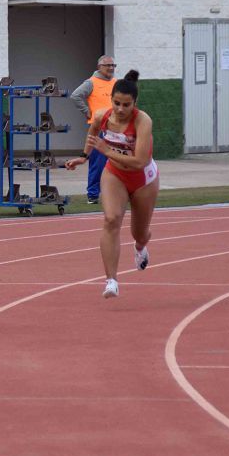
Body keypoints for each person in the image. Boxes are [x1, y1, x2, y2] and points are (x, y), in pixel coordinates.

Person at [65, 71, 157, 299]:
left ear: (135, 103)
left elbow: (140, 161)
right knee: (111, 219)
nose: (120, 109)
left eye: (126, 105)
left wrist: (106, 151)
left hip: (143, 178)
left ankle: (140, 247)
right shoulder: (102, 116)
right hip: (115, 174)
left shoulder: (142, 121)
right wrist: (83, 156)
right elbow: (93, 130)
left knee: (140, 232)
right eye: (116, 103)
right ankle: (111, 280)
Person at [70, 55, 118, 204]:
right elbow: (75, 96)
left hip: (117, 129)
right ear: (99, 67)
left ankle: (117, 193)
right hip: (100, 129)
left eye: (113, 65)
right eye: (107, 65)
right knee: (97, 163)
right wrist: (87, 112)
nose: (110, 68)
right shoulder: (91, 83)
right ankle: (93, 194)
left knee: (118, 163)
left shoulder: (117, 83)